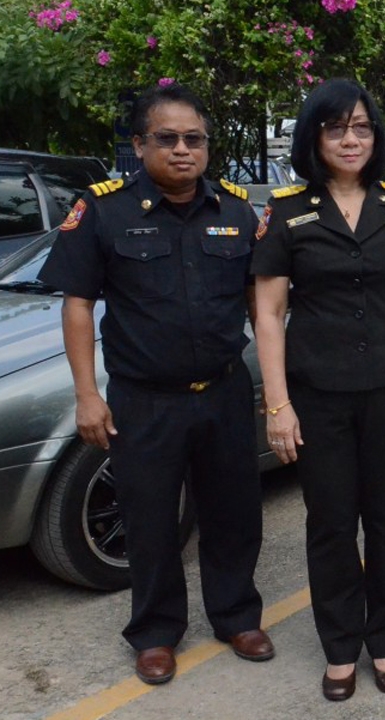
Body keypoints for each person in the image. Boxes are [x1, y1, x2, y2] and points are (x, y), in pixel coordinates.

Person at [38, 84, 274, 685]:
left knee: (234, 514)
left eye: (193, 139)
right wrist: (87, 394)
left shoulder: (236, 210)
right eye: (166, 139)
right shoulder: (103, 211)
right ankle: (155, 633)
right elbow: (76, 305)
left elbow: (261, 304)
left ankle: (236, 616)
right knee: (148, 521)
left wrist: (279, 391)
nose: (181, 150)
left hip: (223, 392)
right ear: (140, 144)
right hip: (143, 400)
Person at [251, 78, 385, 701]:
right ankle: (340, 650)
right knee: (331, 523)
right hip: (319, 395)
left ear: (376, 136)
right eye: (337, 128)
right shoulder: (286, 213)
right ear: (315, 137)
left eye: (362, 127)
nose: (351, 138)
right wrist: (277, 405)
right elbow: (269, 315)